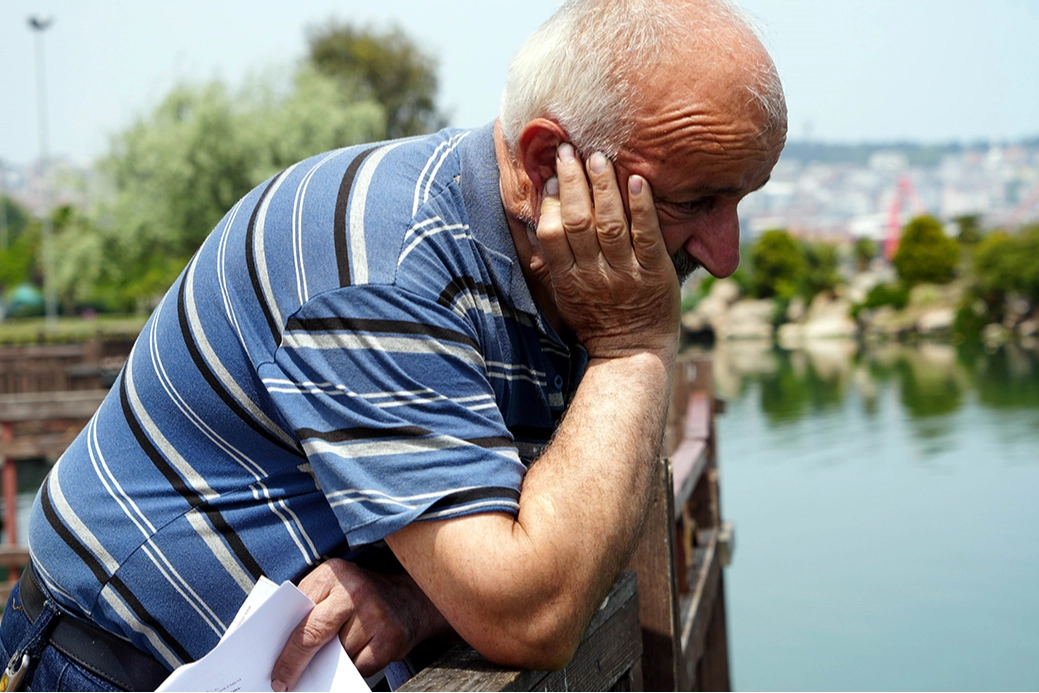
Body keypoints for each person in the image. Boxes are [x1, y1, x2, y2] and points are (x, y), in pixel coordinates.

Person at [0, 0, 786, 690]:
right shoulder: (383, 265)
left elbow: (591, 520)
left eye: (739, 201)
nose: (726, 253)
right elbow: (533, 615)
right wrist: (631, 347)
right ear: (548, 162)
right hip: (111, 666)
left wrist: (420, 600)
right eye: (698, 200)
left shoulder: (561, 262)